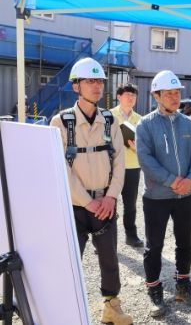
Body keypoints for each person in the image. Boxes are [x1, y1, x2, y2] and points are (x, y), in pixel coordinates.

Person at [50, 57, 132, 325]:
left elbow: (119, 162)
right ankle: (63, 312)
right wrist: (87, 201)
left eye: (99, 81)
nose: (97, 86)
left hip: (105, 204)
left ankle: (111, 307)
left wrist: (110, 196)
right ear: (76, 86)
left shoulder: (110, 120)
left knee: (109, 259)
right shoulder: (60, 122)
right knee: (69, 262)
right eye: (90, 81)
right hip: (75, 206)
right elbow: (60, 167)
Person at [136, 70, 191, 317]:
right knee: (154, 246)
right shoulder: (145, 125)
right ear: (156, 96)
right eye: (169, 93)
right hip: (157, 197)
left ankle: (183, 285)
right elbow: (145, 159)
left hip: (186, 196)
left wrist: (190, 179)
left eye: (177, 93)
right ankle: (154, 290)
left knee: (185, 242)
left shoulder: (189, 123)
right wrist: (173, 181)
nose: (175, 98)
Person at [110, 83, 144, 248]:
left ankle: (131, 236)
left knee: (130, 205)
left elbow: (146, 145)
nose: (131, 98)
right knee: (110, 203)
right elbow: (102, 139)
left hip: (132, 167)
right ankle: (107, 239)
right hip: (112, 167)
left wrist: (137, 148)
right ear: (119, 96)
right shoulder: (109, 115)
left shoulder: (140, 119)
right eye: (127, 94)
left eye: (133, 95)